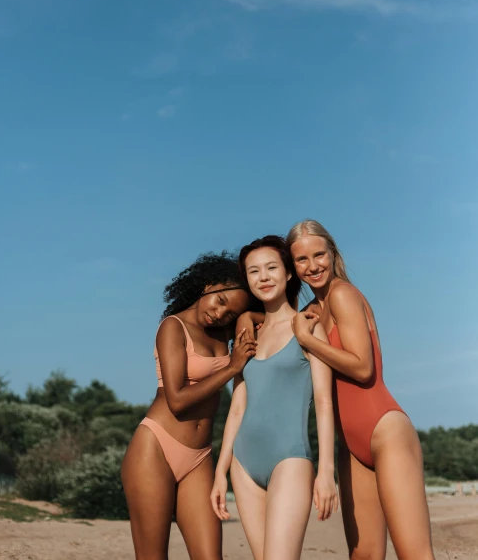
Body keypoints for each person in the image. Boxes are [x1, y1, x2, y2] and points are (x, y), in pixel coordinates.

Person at [287, 220, 435, 560]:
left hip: (385, 432)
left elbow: (363, 368)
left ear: (332, 252)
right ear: (292, 267)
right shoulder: (309, 312)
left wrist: (309, 340)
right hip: (349, 446)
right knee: (364, 555)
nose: (313, 266)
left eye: (319, 255)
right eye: (302, 260)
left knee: (414, 554)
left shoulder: (343, 294)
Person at [121, 252, 257, 560]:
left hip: (200, 457)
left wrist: (249, 316)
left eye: (231, 313)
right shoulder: (172, 327)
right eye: (220, 301)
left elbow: (274, 319)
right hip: (156, 448)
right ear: (208, 285)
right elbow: (177, 400)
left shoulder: (225, 332)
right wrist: (232, 368)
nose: (220, 314)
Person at [211, 236, 338, 560]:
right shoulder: (246, 336)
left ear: (289, 273)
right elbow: (237, 406)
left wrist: (326, 471)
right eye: (254, 271)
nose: (263, 277)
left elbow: (324, 403)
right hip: (243, 462)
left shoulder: (307, 329)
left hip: (290, 459)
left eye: (271, 268)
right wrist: (221, 470)